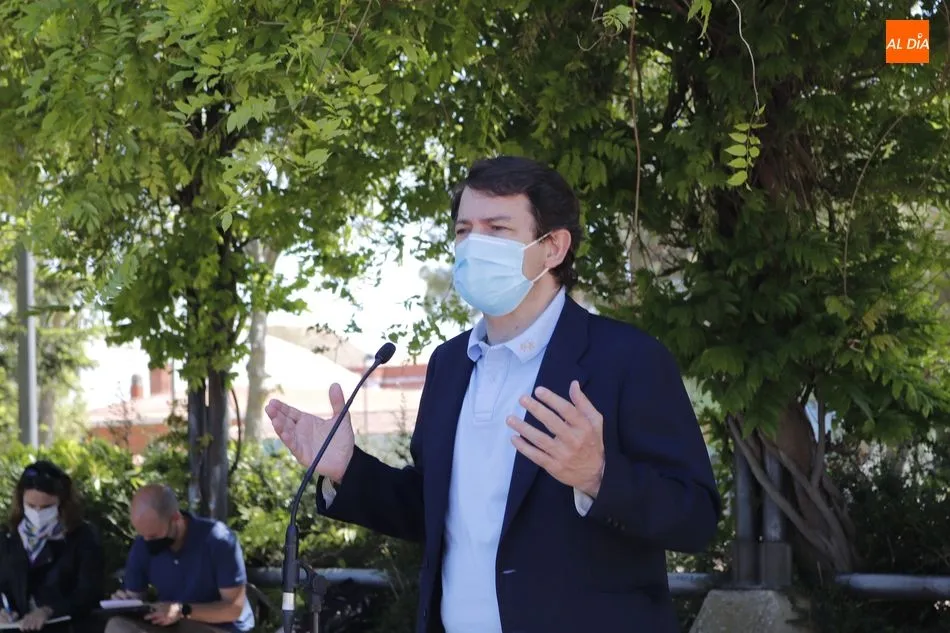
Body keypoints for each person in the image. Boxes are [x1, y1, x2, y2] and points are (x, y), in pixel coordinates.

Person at [267, 155, 721, 633]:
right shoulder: (449, 364)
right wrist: (348, 469)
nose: (474, 245)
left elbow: (695, 520)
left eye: (497, 229)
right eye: (464, 231)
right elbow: (435, 510)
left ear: (553, 248)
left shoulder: (626, 359)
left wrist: (599, 476)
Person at [104, 485, 254, 633]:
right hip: (172, 624)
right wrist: (125, 602)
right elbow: (136, 596)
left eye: (154, 535)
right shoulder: (143, 545)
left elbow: (233, 609)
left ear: (176, 518)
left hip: (221, 627)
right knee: (117, 626)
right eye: (142, 534)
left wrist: (182, 610)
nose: (147, 540)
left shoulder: (217, 540)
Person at [0, 460, 104, 633]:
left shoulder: (83, 537)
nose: (38, 513)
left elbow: (89, 593)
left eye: (46, 507)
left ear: (62, 504)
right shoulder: (9, 538)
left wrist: (49, 611)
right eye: (31, 506)